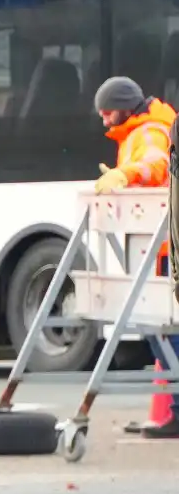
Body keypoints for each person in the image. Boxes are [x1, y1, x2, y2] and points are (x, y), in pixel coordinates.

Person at [91, 77, 179, 439]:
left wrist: (123, 175)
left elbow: (155, 165)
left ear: (125, 108)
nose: (103, 119)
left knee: (164, 330)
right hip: (158, 244)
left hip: (162, 249)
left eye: (107, 111)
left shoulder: (148, 132)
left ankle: (176, 411)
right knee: (160, 330)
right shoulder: (138, 130)